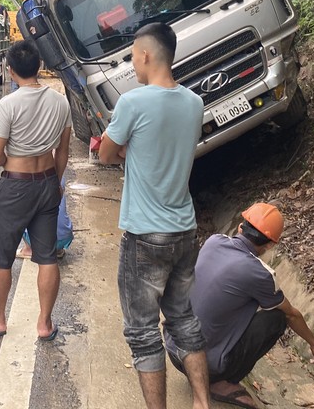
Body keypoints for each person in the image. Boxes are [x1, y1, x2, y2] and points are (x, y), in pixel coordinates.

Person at [99, 22, 210, 409]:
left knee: (143, 331)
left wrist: (123, 148)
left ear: (146, 55)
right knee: (182, 318)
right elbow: (168, 150)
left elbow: (105, 154)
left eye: (132, 55)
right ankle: (201, 402)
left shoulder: (132, 102)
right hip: (184, 229)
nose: (133, 62)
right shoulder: (195, 102)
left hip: (145, 234)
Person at [176, 204, 314, 407]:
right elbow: (292, 315)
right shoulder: (259, 274)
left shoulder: (213, 241)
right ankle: (221, 381)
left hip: (174, 350)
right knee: (277, 318)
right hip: (204, 367)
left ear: (240, 227)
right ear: (271, 245)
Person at [0, 40, 71, 340]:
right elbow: (63, 151)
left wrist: (12, 164)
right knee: (47, 257)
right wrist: (56, 184)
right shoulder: (60, 102)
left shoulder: (8, 104)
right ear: (38, 68)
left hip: (15, 187)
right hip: (47, 182)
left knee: (1, 257)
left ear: (10, 70)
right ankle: (45, 324)